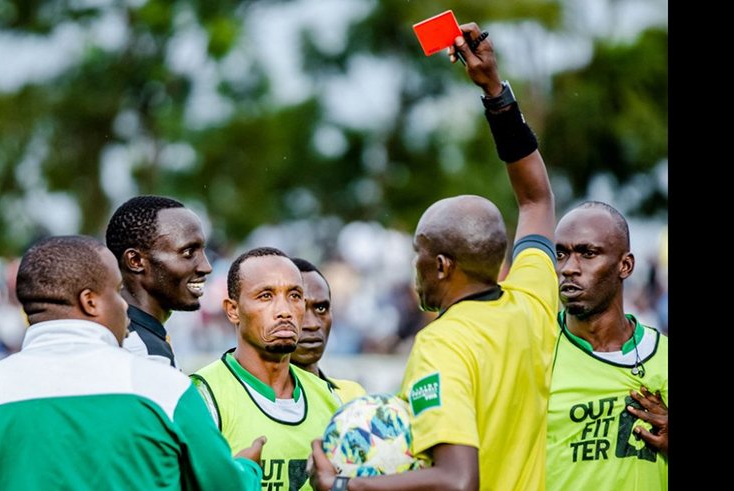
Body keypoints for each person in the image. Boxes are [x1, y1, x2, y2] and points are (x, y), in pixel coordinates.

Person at [309, 22, 558, 491]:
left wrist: (344, 487)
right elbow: (536, 199)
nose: (413, 266)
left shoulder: (441, 345)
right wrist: (494, 90)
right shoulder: (533, 301)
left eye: (417, 252)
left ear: (442, 265)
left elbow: (457, 480)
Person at [0, 235, 265, 491]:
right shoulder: (166, 391)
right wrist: (248, 470)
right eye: (118, 292)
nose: (124, 306)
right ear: (90, 302)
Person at [192, 247, 342, 491]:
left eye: (294, 296)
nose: (285, 311)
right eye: (265, 296)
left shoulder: (329, 398)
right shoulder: (202, 396)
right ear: (233, 310)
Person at [547, 201, 668, 490]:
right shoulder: (533, 354)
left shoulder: (663, 356)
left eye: (587, 254)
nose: (568, 269)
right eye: (561, 254)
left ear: (625, 266)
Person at [105, 195, 213, 367]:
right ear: (136, 261)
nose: (206, 267)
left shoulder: (129, 337)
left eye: (202, 251)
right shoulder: (145, 355)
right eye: (188, 252)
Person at [289, 257, 367, 404]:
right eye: (299, 309)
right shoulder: (242, 397)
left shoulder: (354, 397)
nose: (312, 324)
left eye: (321, 308)